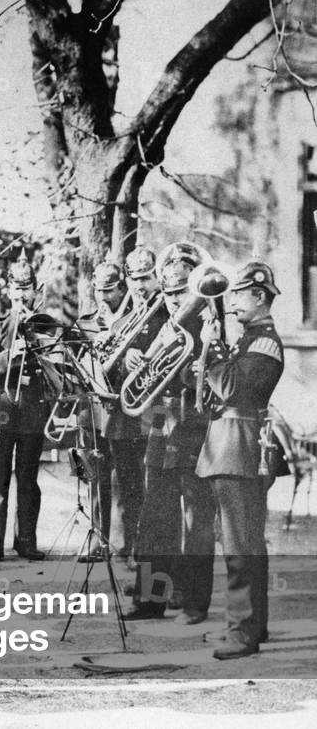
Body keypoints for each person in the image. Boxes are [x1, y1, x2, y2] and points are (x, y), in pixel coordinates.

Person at [196, 260, 283, 659]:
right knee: (244, 542)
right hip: (228, 445)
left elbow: (231, 387)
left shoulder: (263, 343)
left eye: (238, 294)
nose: (230, 302)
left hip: (240, 447)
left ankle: (242, 634)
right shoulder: (248, 339)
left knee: (239, 546)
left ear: (259, 295)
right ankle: (252, 626)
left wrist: (212, 346)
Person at [124, 251, 212, 622]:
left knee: (195, 518)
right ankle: (150, 600)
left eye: (182, 291)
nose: (176, 299)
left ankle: (193, 602)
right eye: (171, 292)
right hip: (160, 420)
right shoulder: (162, 320)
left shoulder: (211, 321)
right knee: (155, 514)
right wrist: (133, 355)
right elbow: (146, 358)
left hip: (194, 421)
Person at [0, 252, 53, 562]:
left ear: (36, 290)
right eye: (17, 288)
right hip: (4, 409)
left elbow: (55, 367)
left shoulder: (46, 325)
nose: (22, 294)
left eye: (27, 288)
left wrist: (36, 344)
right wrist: (10, 354)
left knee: (28, 478)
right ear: (9, 291)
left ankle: (26, 540)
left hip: (33, 411)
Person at [105, 242, 168, 564]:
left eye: (146, 278)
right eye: (135, 279)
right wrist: (122, 359)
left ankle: (148, 558)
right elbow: (106, 370)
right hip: (126, 417)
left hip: (156, 416)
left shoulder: (170, 318)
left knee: (153, 493)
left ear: (157, 277)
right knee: (128, 488)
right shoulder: (123, 322)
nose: (140, 286)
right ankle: (129, 548)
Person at [73, 261, 128, 561]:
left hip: (121, 412)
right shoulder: (84, 324)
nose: (104, 298)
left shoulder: (132, 319)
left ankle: (120, 543)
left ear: (122, 288)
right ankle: (97, 539)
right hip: (90, 413)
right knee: (94, 476)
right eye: (99, 291)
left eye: (110, 291)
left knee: (120, 478)